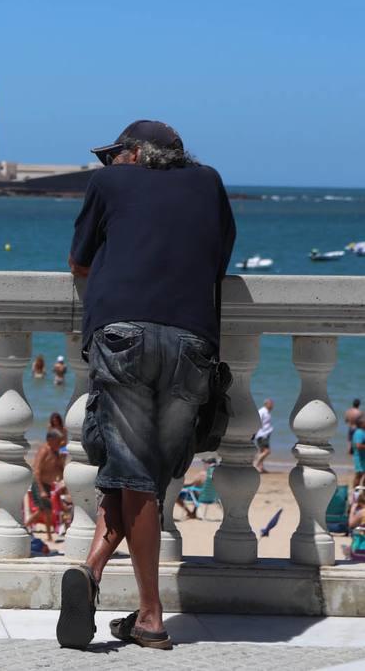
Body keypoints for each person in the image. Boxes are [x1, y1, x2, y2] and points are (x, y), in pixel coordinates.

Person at [57, 120, 235, 652]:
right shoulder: (210, 182)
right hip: (191, 340)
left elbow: (79, 261)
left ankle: (151, 616)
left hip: (124, 332)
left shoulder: (109, 184)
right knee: (146, 475)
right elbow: (217, 261)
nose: (107, 163)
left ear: (134, 155)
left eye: (113, 154)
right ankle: (90, 572)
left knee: (133, 473)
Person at [253, 399, 274, 473]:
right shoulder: (262, 411)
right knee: (267, 451)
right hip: (262, 434)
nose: (272, 406)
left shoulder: (267, 412)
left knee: (261, 451)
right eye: (271, 404)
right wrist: (255, 432)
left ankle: (261, 467)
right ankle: (255, 464)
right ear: (266, 404)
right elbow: (257, 421)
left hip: (265, 434)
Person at [351, 414, 365, 492]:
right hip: (359, 458)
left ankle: (361, 493)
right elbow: (358, 446)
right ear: (361, 423)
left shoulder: (362, 432)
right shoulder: (359, 432)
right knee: (359, 475)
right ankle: (355, 493)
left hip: (363, 458)